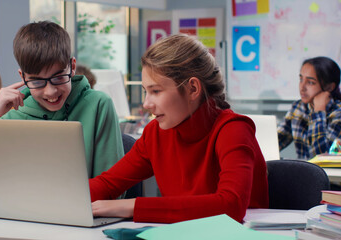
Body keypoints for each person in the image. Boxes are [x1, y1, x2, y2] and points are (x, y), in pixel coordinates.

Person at [89, 34, 269, 224]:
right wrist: (61, 198)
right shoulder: (155, 133)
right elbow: (107, 184)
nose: (146, 103)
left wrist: (132, 207)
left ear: (192, 88)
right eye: (145, 91)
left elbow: (231, 206)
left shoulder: (233, 130)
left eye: (156, 91)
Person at [0, 21, 124, 195]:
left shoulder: (98, 105)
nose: (51, 91)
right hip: (20, 217)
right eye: (37, 81)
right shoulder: (11, 113)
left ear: (72, 67)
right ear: (22, 77)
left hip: (79, 218)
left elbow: (114, 190)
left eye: (59, 77)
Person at [277, 56, 341, 160]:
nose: (302, 87)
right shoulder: (298, 107)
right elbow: (276, 142)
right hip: (304, 172)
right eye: (301, 79)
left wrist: (319, 110)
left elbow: (321, 156)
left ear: (330, 87)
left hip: (331, 174)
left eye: (310, 82)